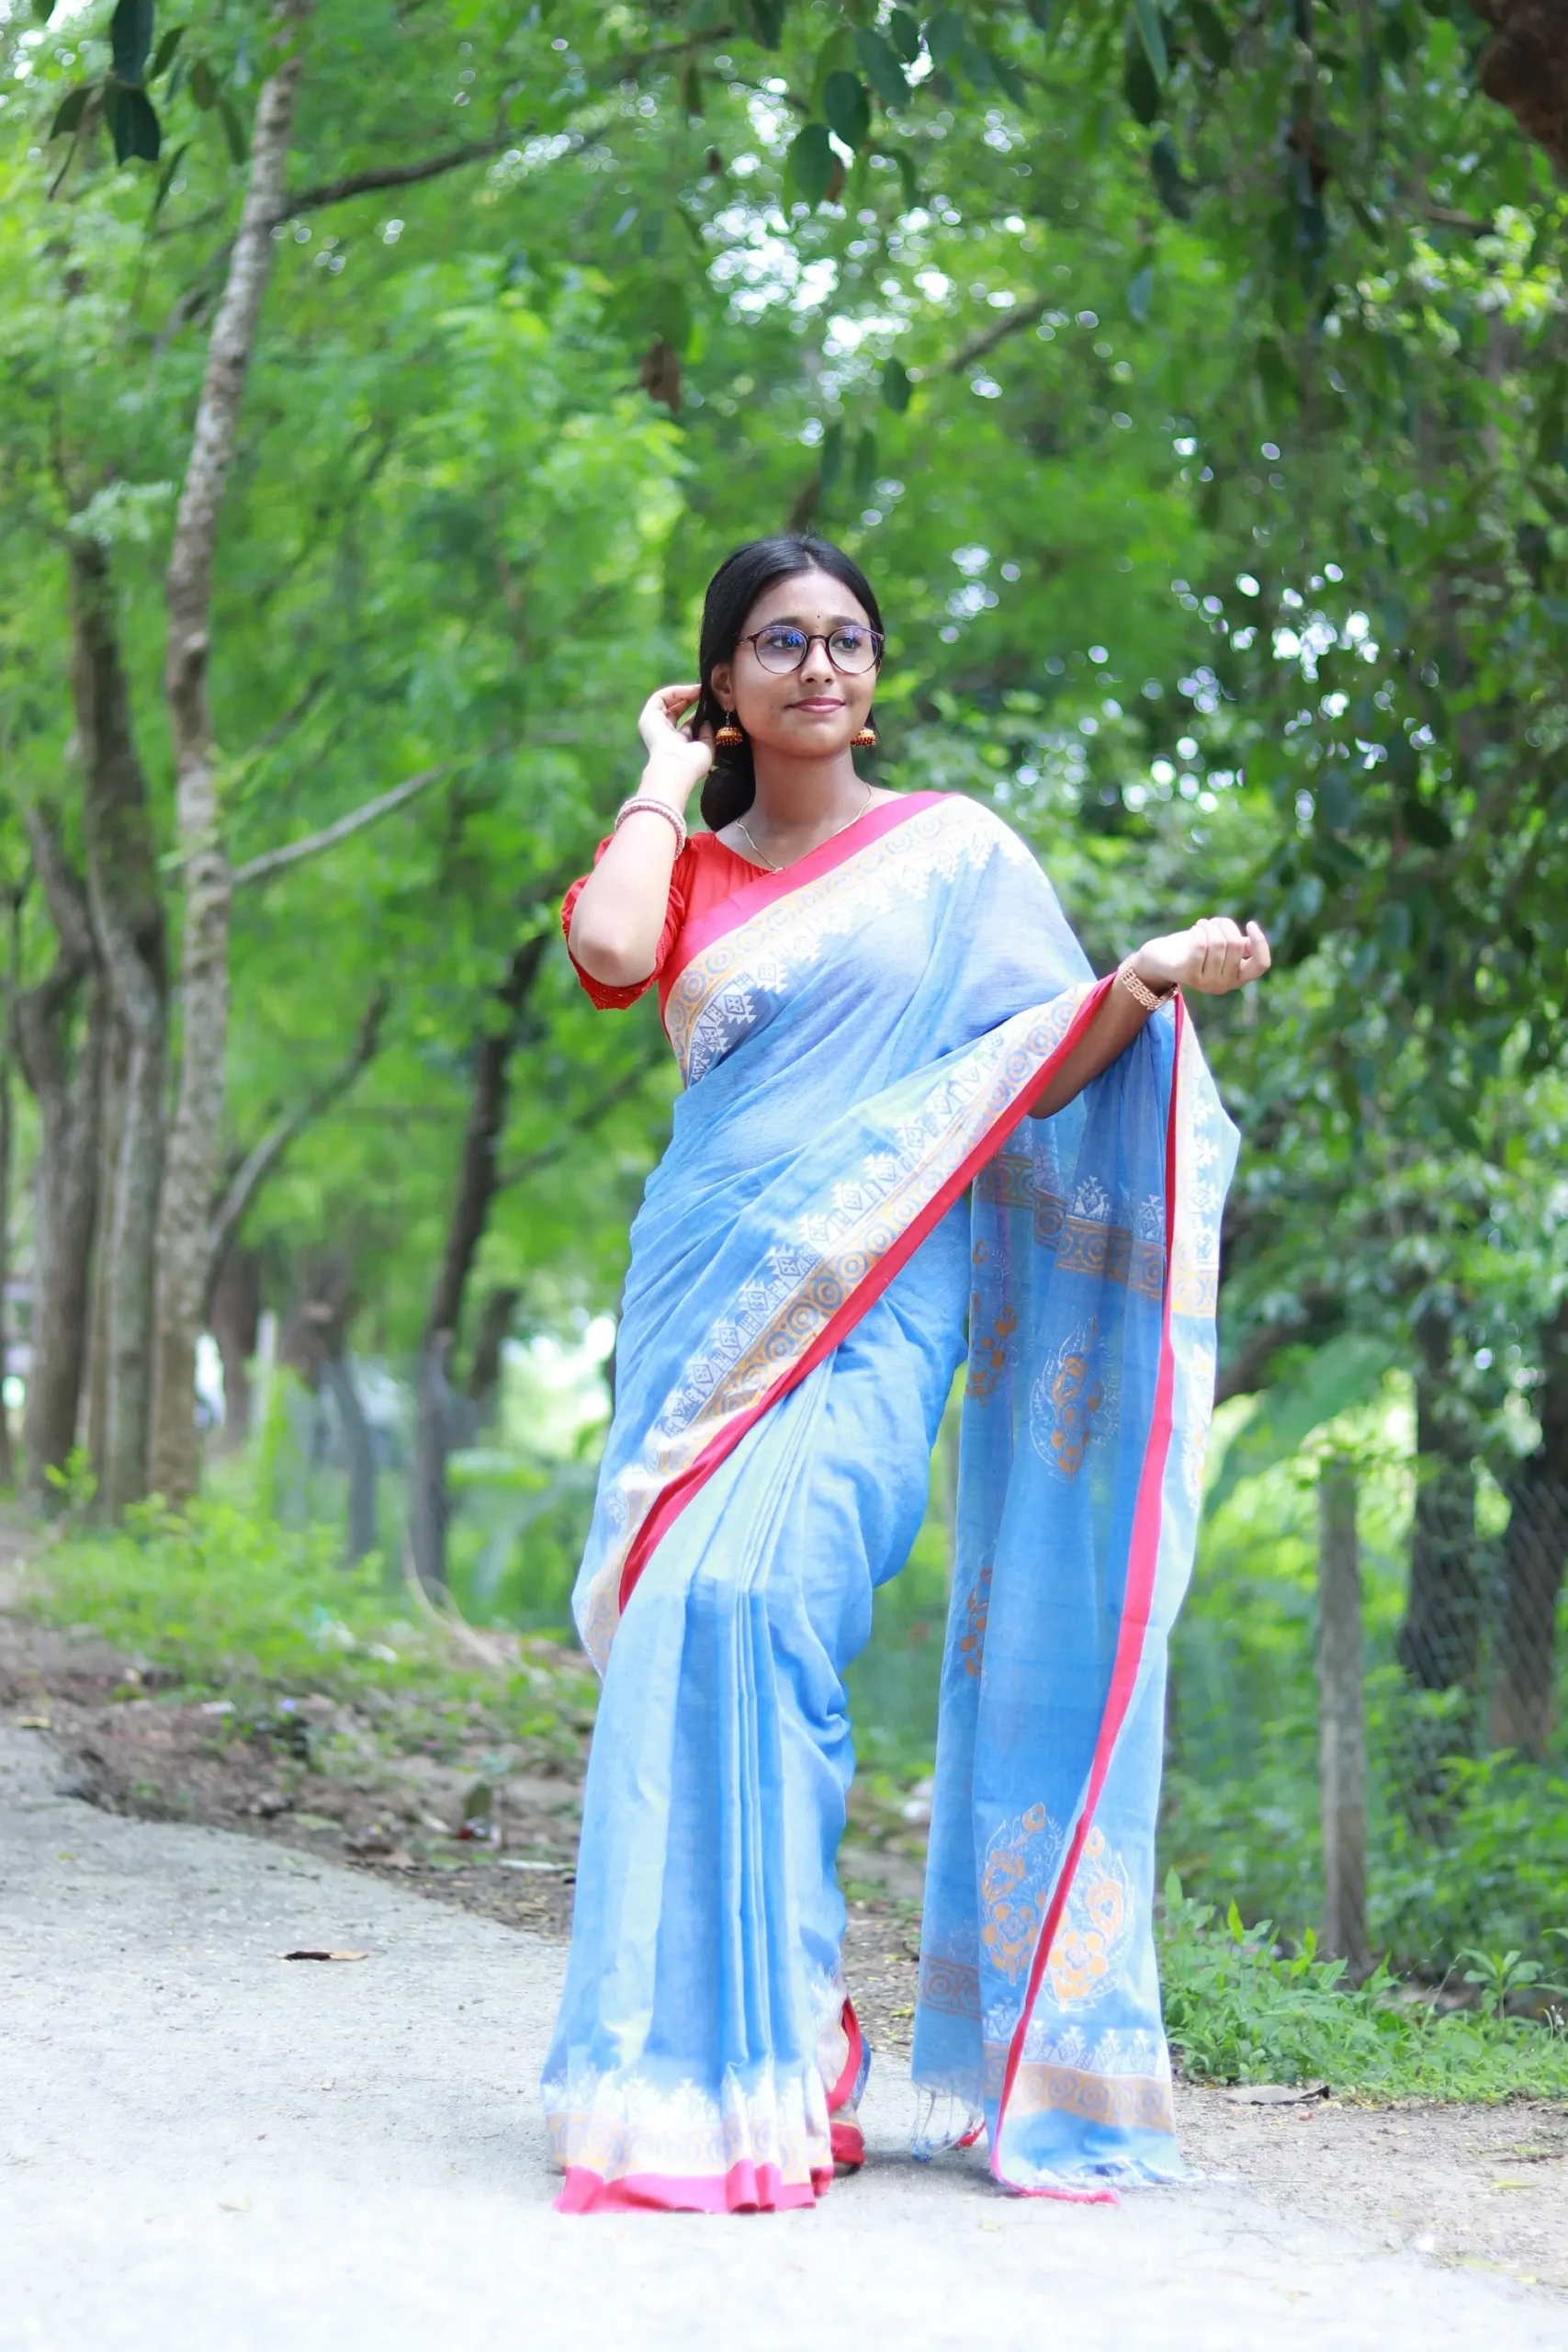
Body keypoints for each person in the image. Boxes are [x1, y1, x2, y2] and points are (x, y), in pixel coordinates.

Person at [543, 534, 1269, 2213]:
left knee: (767, 1609)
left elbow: (1028, 1068)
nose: (820, 666)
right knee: (678, 1628)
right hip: (706, 1305)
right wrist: (661, 773)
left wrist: (1139, 980)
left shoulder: (957, 859)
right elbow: (611, 952)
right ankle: (745, 2062)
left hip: (875, 1303)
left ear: (874, 679)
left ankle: (778, 2045)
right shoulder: (684, 864)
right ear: (720, 685)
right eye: (778, 643)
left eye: (846, 641)